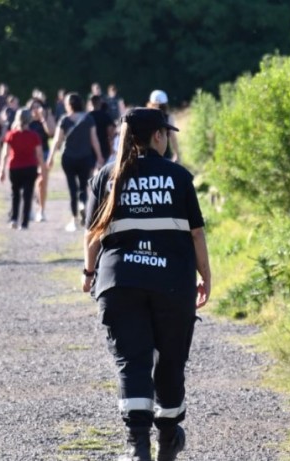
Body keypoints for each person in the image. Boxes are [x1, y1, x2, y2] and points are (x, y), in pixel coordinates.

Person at [82, 108, 211, 461]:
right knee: (170, 361)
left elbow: (92, 236)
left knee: (132, 361)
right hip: (171, 284)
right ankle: (167, 440)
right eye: (166, 133)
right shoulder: (178, 176)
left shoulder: (106, 177)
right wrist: (206, 276)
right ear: (158, 136)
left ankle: (137, 446)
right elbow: (196, 234)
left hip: (119, 282)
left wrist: (88, 273)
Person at [47, 92, 105, 232]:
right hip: (85, 157)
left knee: (72, 188)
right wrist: (99, 156)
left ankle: (74, 219)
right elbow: (94, 139)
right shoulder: (88, 119)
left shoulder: (64, 120)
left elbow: (57, 140)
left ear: (68, 105)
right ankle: (83, 204)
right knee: (83, 186)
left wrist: (50, 158)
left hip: (68, 158)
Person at [0, 109, 45, 230]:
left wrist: (1, 170)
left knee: (15, 193)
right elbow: (39, 155)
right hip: (30, 167)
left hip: (15, 167)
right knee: (28, 194)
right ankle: (24, 222)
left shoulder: (11, 135)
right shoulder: (34, 136)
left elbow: (5, 153)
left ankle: (14, 218)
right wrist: (42, 169)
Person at [26, 98, 55, 222]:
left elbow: (52, 133)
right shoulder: (27, 121)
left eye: (38, 107)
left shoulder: (46, 118)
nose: (35, 110)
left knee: (42, 182)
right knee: (29, 182)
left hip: (43, 153)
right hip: (29, 154)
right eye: (33, 107)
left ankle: (41, 210)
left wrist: (43, 118)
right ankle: (29, 209)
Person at [146, 90, 181, 163]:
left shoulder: (146, 117)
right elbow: (173, 137)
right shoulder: (168, 117)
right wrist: (176, 153)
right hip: (165, 154)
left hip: (148, 155)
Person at [89, 94, 114, 174]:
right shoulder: (105, 116)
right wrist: (111, 146)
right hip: (104, 145)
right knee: (102, 167)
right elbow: (111, 133)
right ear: (100, 102)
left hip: (90, 146)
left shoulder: (88, 116)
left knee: (92, 168)